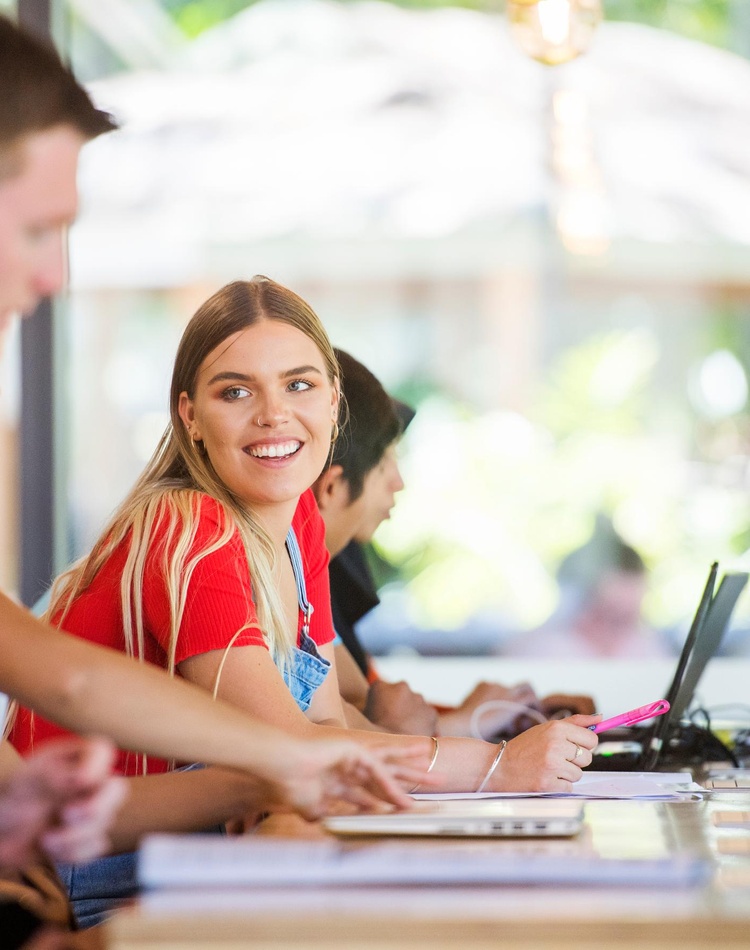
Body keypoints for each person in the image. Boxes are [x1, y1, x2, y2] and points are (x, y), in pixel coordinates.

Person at [0, 17, 423, 943]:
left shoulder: (282, 528)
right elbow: (68, 688)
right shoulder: (190, 523)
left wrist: (288, 768)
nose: (50, 276)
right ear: (190, 413)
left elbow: (63, 678)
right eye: (37, 229)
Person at [13, 276, 599, 802]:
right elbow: (295, 747)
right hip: (90, 870)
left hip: (186, 850)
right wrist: (496, 765)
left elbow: (329, 730)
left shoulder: (298, 526)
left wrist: (486, 757)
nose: (274, 414)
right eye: (236, 392)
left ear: (334, 400)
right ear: (189, 415)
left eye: (299, 384)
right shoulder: (189, 529)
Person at [313, 350, 595, 738]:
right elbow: (366, 728)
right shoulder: (286, 581)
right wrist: (472, 725)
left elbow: (367, 713)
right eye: (384, 462)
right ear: (331, 485)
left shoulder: (314, 574)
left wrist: (485, 717)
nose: (399, 481)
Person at [503, 516, 670, 659]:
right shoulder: (541, 651)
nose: (611, 633)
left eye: (624, 620)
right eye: (607, 615)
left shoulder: (649, 650)